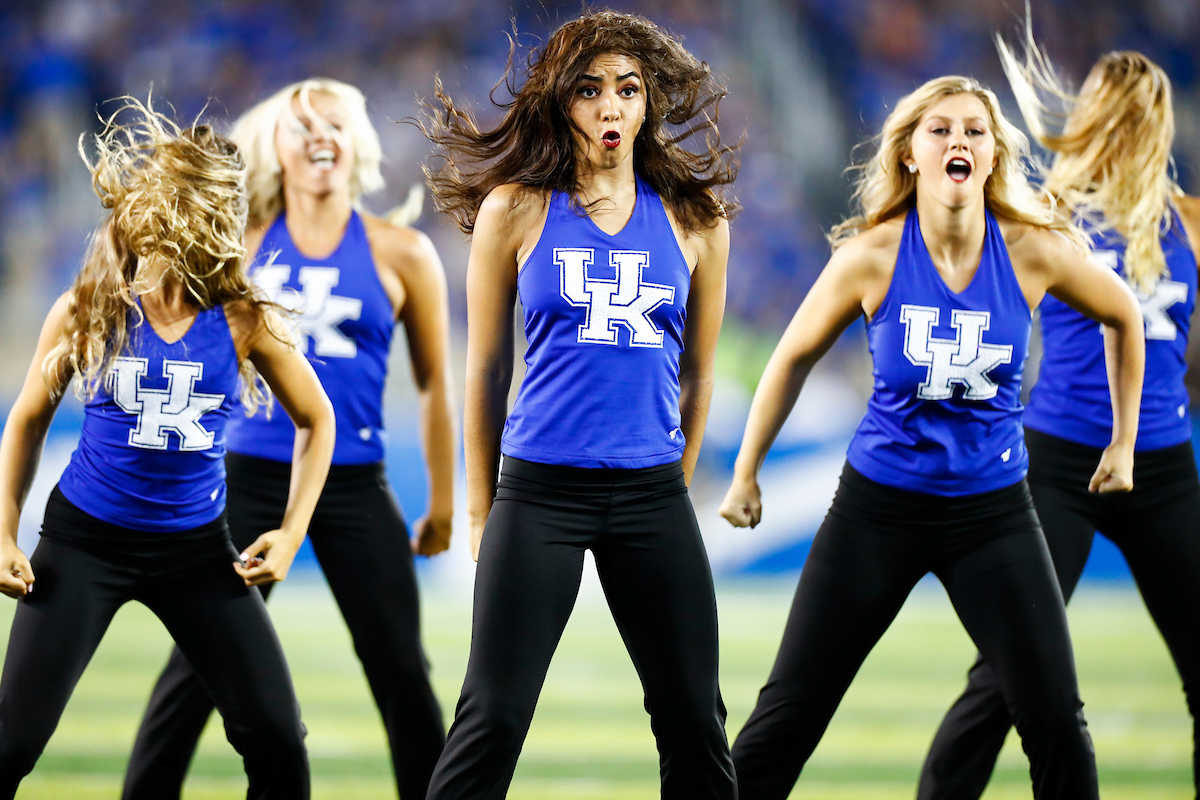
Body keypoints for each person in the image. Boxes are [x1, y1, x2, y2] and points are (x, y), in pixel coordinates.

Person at [719, 74, 1147, 800]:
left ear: (992, 156)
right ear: (910, 154)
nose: (959, 141)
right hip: (877, 513)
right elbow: (791, 355)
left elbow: (1125, 315)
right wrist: (745, 472)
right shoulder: (872, 255)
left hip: (993, 514)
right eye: (940, 129)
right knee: (788, 716)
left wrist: (1123, 442)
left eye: (975, 131)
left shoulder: (1033, 251)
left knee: (1054, 719)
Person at [417, 10, 738, 799]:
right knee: (490, 716)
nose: (610, 107)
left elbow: (698, 374)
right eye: (590, 90)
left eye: (627, 89)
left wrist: (675, 480)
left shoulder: (698, 220)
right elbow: (486, 370)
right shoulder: (515, 210)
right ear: (561, 102)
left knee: (695, 720)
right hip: (540, 495)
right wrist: (482, 511)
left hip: (652, 496)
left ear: (647, 104)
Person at [122, 78, 454, 800]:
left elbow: (433, 385)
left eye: (334, 123)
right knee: (195, 670)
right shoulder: (234, 248)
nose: (317, 138)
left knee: (401, 668)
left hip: (357, 481)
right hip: (245, 478)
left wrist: (445, 501)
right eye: (300, 126)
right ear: (275, 146)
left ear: (358, 143)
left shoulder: (403, 254)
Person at [0, 100, 334, 800]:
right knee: (12, 740)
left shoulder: (241, 315)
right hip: (85, 542)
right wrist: (3, 529)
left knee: (277, 739)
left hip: (194, 550)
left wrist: (293, 529)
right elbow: (28, 416)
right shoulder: (92, 303)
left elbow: (317, 418)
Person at [918, 42, 1200, 800]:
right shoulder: (1045, 219)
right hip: (1060, 462)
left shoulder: (1190, 223)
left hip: (1165, 466)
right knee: (1006, 675)